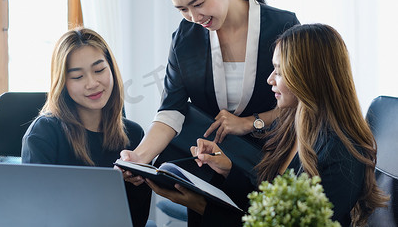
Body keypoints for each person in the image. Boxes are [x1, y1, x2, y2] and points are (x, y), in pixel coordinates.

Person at [147, 23, 388, 227]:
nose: (270, 79)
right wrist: (228, 170)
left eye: (280, 72)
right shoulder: (291, 126)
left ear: (309, 77)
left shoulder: (343, 150)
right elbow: (265, 202)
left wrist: (201, 206)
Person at [121, 0, 299, 186]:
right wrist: (140, 157)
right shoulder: (185, 38)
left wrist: (250, 122)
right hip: (209, 169)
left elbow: (303, 102)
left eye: (198, 3)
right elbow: (171, 110)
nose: (194, 17)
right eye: (183, 9)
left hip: (271, 163)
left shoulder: (282, 25)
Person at [21, 28, 151, 227]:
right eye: (77, 77)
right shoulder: (44, 134)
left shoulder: (133, 134)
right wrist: (108, 184)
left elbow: (137, 220)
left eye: (99, 70)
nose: (92, 83)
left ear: (111, 69)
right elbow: (37, 215)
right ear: (63, 83)